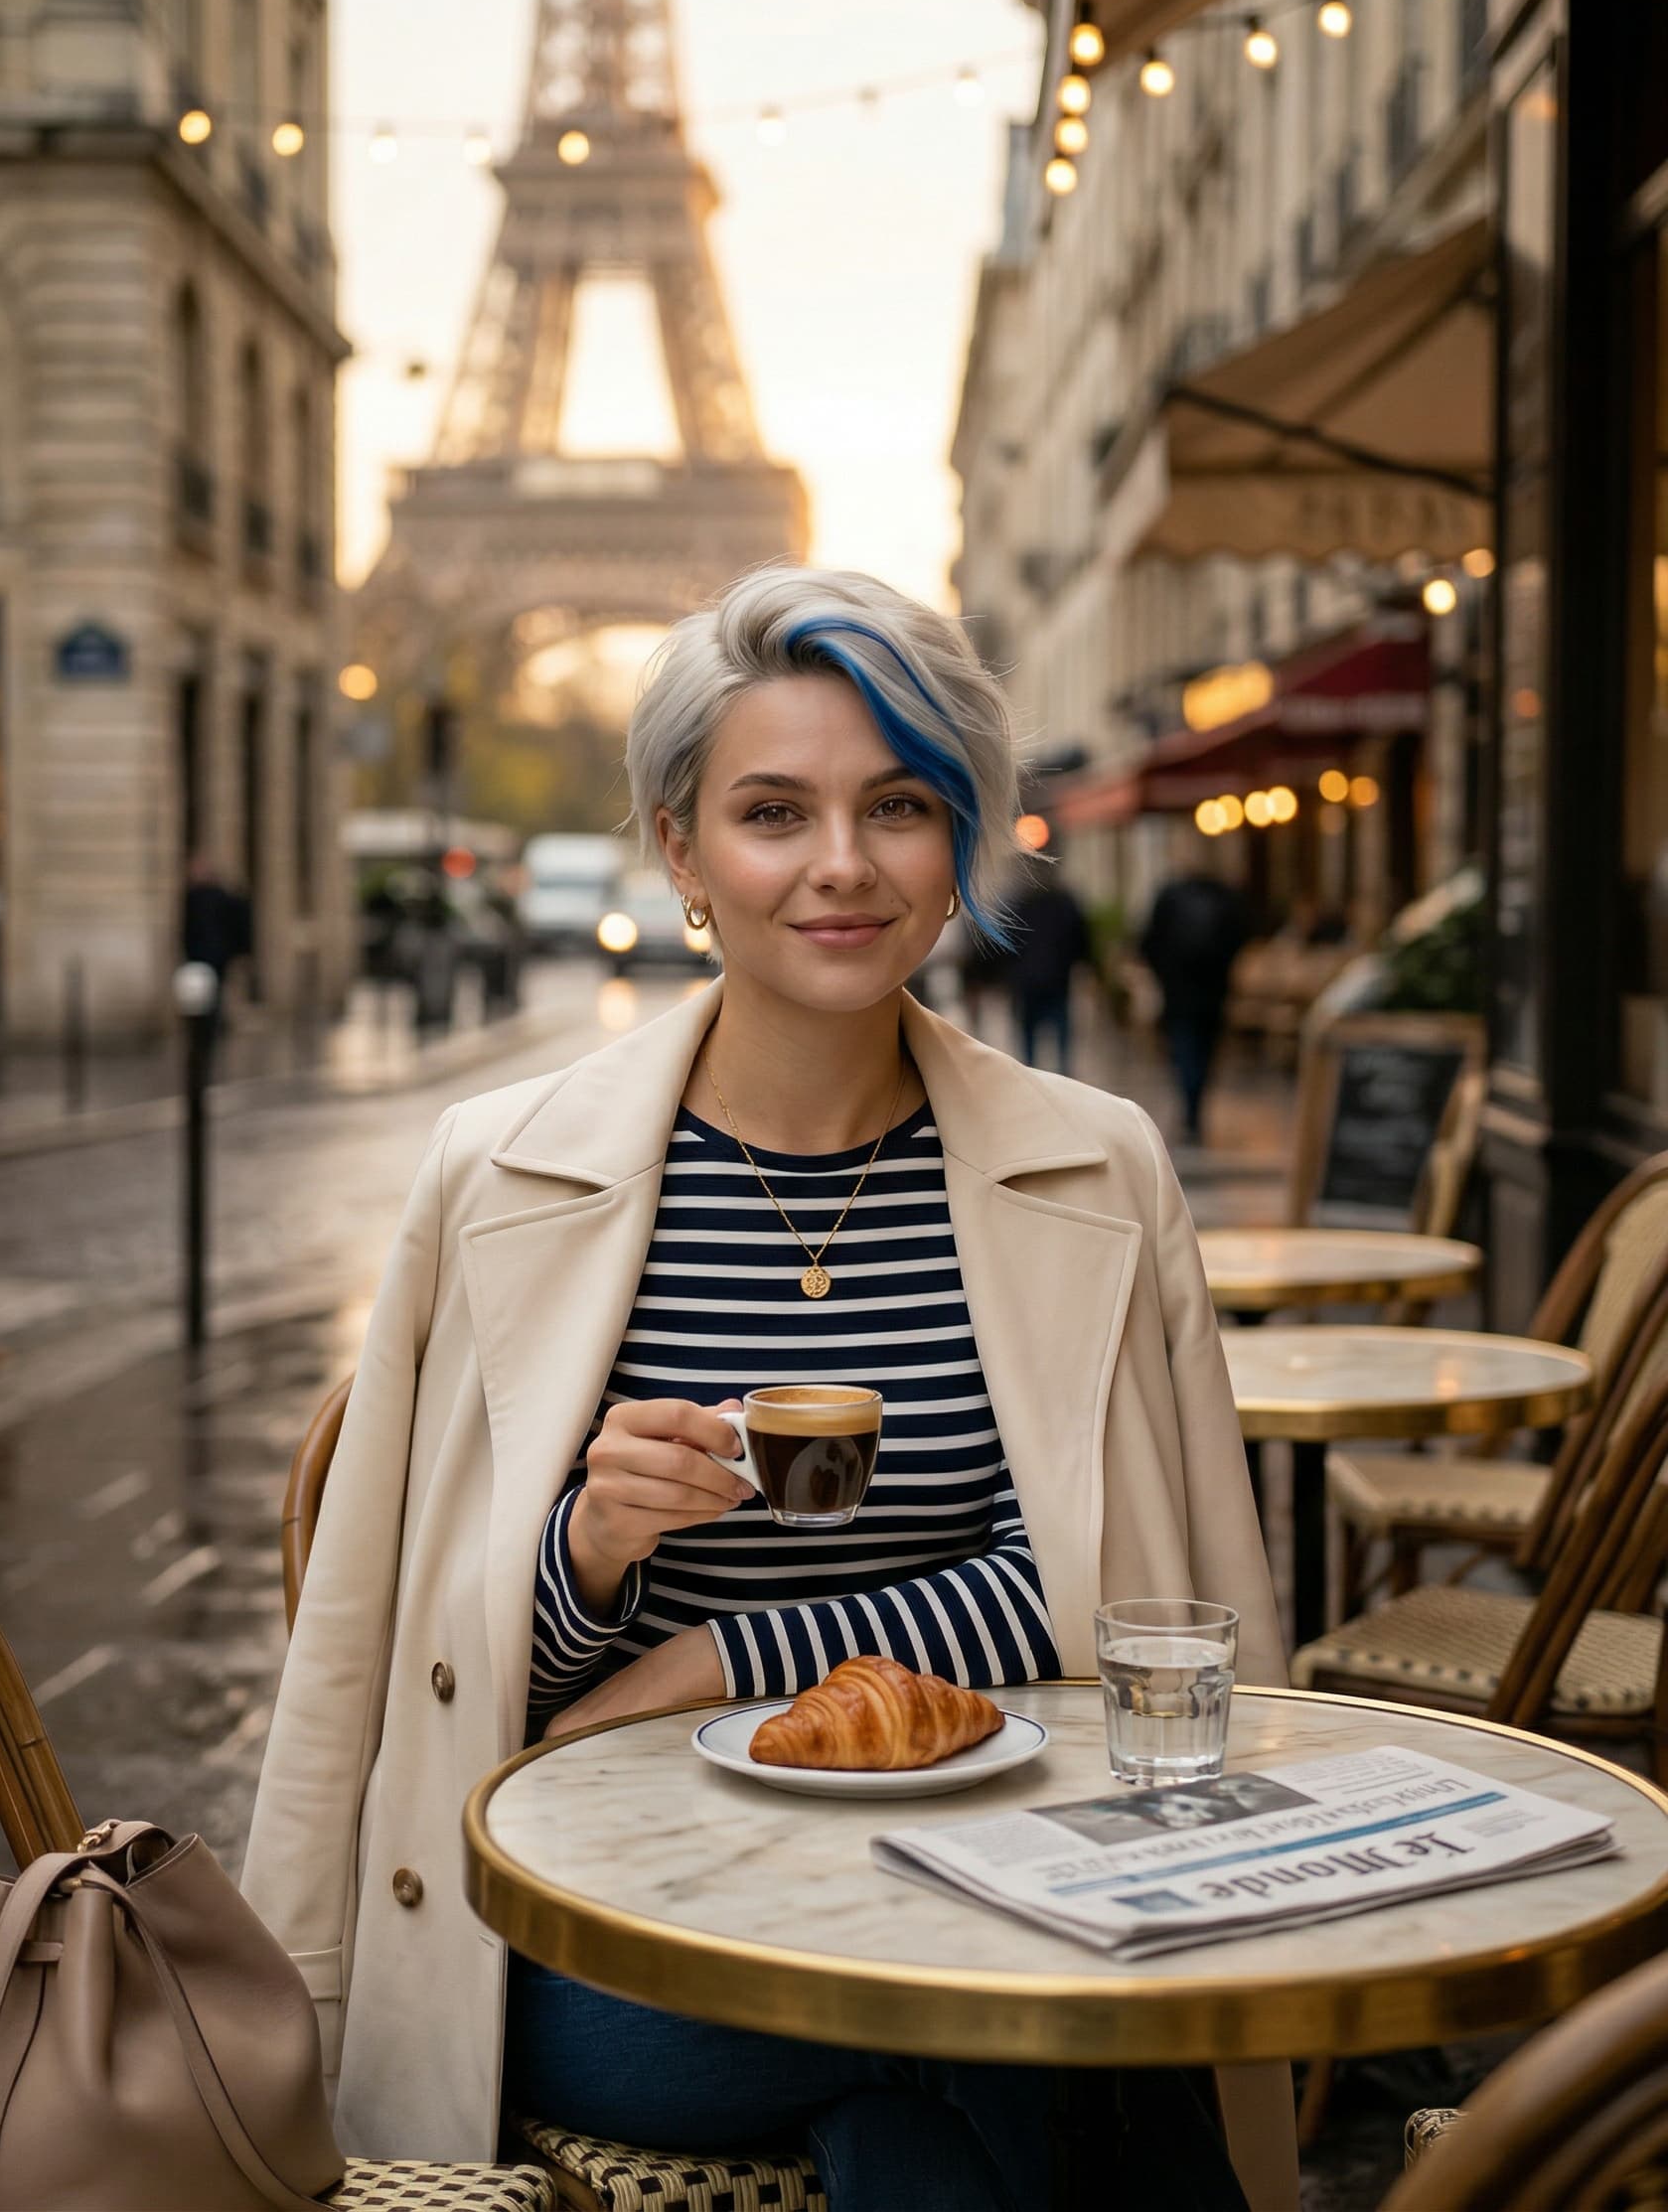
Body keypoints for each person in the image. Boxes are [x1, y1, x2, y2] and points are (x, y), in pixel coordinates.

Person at [243, 565, 1294, 2212]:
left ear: (958, 841)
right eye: (770, 810)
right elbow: (415, 1661)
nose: (839, 865)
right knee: (1019, 2025)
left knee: (932, 2119)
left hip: (1001, 1863)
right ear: (679, 851)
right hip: (634, 1924)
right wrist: (591, 1554)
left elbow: (1119, 1594)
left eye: (895, 805)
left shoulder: (1099, 1169)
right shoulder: (496, 1175)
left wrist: (724, 1656)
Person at [1139, 860, 1253, 1145]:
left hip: (1178, 993)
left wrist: (1164, 975)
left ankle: (1190, 1107)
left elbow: (1148, 943)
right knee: (1206, 1051)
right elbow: (1241, 939)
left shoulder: (1170, 898)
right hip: (1214, 993)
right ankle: (1195, 1105)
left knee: (1184, 1049)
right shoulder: (1225, 898)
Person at [1007, 855, 1091, 1074]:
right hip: (1055, 980)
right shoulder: (1064, 902)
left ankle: (1033, 1078)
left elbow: (1006, 945)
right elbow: (1080, 939)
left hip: (1029, 982)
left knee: (1030, 1043)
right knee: (1060, 1041)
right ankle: (1061, 1079)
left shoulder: (1019, 903)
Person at [181, 852, 252, 1033]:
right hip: (211, 957)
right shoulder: (198, 897)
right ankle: (206, 1027)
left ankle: (206, 1027)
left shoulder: (205, 898)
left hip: (208, 957)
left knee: (204, 999)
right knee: (204, 999)